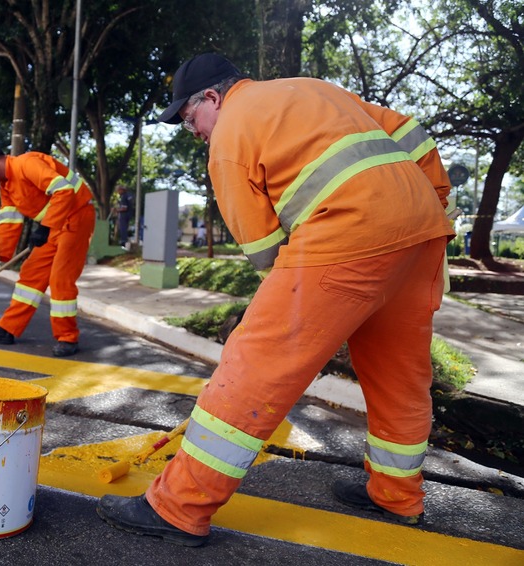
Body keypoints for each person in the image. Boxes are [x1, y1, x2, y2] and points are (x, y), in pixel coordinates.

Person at [96, 53, 455, 546]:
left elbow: (266, 251)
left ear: (213, 98)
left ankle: (178, 506)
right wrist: (430, 206)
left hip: (347, 232)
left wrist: (274, 313)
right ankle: (397, 495)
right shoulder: (312, 88)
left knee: (254, 367)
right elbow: (413, 136)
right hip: (421, 233)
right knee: (400, 374)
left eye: (189, 117)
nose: (193, 130)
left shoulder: (228, 139)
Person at [0, 141, 96, 357]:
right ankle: (7, 329)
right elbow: (9, 226)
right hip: (54, 226)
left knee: (60, 278)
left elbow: (63, 190)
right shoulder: (6, 187)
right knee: (30, 276)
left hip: (77, 216)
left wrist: (44, 228)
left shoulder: (26, 164)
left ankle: (67, 338)